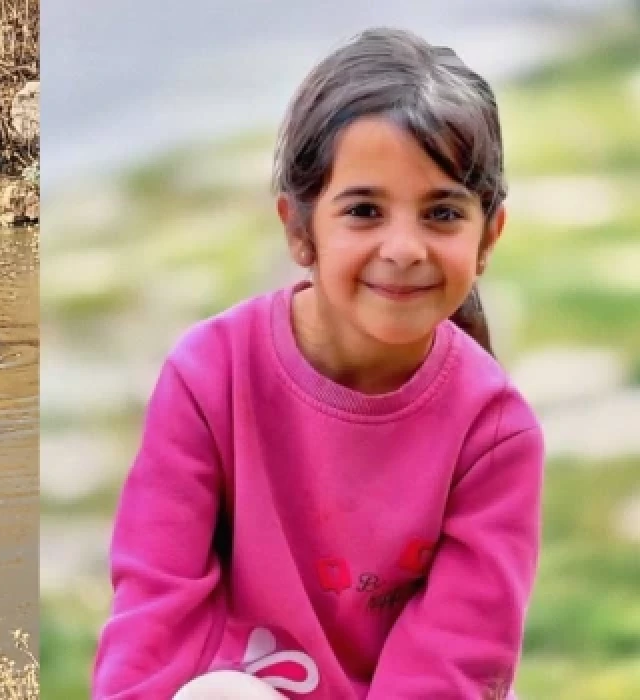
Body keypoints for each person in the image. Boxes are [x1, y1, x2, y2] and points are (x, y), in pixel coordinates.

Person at [92, 28, 543, 700]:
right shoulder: (210, 375)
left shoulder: (495, 434)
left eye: (442, 213)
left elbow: (456, 663)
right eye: (364, 210)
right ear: (300, 229)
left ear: (488, 237)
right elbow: (156, 617)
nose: (404, 247)